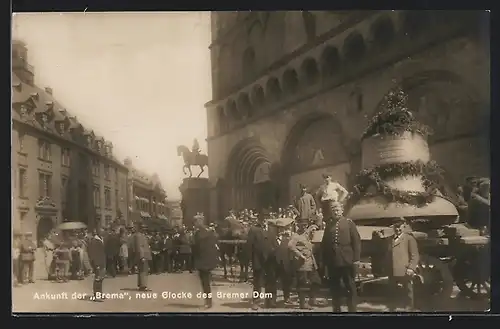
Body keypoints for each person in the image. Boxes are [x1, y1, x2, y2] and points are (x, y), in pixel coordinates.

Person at [320, 202, 361, 312]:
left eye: (337, 209)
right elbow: (324, 244)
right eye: (333, 210)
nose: (335, 211)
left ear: (342, 210)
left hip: (347, 259)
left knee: (350, 286)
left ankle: (352, 310)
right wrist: (324, 262)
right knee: (334, 287)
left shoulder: (349, 223)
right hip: (333, 261)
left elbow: (356, 241)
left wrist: (356, 259)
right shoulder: (329, 225)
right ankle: (336, 309)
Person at [379, 217, 420, 312]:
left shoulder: (409, 238)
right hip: (392, 269)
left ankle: (409, 307)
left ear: (404, 226)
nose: (398, 229)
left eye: (399, 227)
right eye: (396, 227)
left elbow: (414, 255)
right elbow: (387, 254)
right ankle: (392, 307)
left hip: (405, 269)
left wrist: (411, 268)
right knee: (392, 289)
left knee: (408, 289)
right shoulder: (389, 239)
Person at [246, 213, 277, 310]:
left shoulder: (272, 229)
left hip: (270, 260)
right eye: (262, 219)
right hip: (258, 259)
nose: (264, 220)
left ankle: (270, 301)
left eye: (266, 218)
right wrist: (250, 260)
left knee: (270, 280)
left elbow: (274, 242)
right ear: (258, 220)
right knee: (257, 282)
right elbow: (249, 245)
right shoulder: (253, 230)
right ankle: (256, 302)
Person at [288, 222, 322, 309]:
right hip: (302, 264)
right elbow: (290, 246)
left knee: (316, 281)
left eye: (305, 225)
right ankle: (303, 304)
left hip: (312, 263)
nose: (304, 227)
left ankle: (312, 299)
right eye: (302, 225)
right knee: (302, 284)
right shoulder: (297, 236)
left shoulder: (309, 237)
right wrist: (300, 255)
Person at [192, 214, 219, 309]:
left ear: (199, 222)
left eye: (195, 221)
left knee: (205, 282)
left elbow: (197, 247)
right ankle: (208, 301)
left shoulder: (200, 233)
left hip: (203, 260)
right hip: (206, 260)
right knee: (205, 282)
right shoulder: (208, 232)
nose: (194, 223)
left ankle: (208, 302)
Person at [271, 217, 295, 306]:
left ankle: (287, 298)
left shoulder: (287, 239)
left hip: (285, 264)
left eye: (281, 228)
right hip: (274, 264)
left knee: (286, 282)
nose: (279, 230)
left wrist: (291, 263)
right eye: (278, 228)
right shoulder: (271, 239)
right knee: (273, 282)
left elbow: (291, 251)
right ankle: (272, 300)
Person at [88, 227, 106, 302]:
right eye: (102, 232)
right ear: (98, 232)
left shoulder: (100, 239)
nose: (103, 233)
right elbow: (93, 254)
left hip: (102, 262)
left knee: (101, 279)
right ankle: (97, 296)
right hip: (98, 262)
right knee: (98, 279)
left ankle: (100, 293)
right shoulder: (95, 241)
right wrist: (96, 264)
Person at [133, 223, 152, 291]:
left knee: (144, 270)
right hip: (143, 256)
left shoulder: (142, 235)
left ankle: (142, 285)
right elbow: (139, 247)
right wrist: (142, 256)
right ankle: (143, 286)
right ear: (140, 228)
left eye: (145, 228)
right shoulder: (138, 236)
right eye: (143, 228)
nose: (145, 230)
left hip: (145, 255)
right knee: (143, 271)